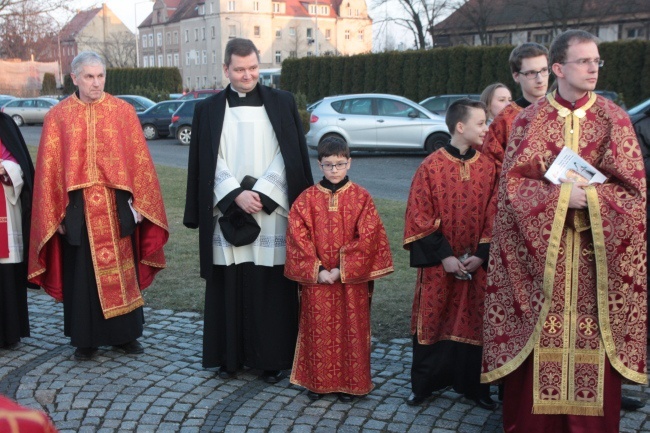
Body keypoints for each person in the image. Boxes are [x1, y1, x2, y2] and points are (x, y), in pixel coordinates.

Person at [481, 30, 647, 432]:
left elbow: (635, 196)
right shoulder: (529, 120)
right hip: (542, 271)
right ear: (559, 68)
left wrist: (588, 200)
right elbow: (511, 191)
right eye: (583, 61)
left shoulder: (615, 119)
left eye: (597, 61)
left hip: (595, 271)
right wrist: (558, 200)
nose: (593, 68)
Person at [183, 38, 313, 383]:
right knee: (230, 281)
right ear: (226, 69)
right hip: (227, 207)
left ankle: (271, 359)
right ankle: (229, 358)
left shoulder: (282, 103)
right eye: (239, 70)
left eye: (253, 68)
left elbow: (291, 156)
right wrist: (234, 194)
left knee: (270, 283)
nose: (247, 75)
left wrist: (263, 194)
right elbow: (206, 160)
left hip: (271, 211)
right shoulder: (208, 109)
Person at [28, 51, 169, 361]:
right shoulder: (58, 117)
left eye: (100, 76)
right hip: (76, 208)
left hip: (114, 203)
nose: (96, 82)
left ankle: (125, 335)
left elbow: (139, 162)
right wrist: (56, 213)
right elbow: (50, 172)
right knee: (81, 273)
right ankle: (84, 339)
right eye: (89, 77)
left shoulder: (122, 112)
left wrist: (141, 203)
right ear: (75, 78)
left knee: (122, 269)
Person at [403, 99, 498, 409]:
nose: (486, 128)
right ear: (461, 127)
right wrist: (445, 256)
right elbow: (419, 214)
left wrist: (482, 253)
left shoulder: (488, 167)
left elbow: (494, 211)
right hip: (438, 262)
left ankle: (475, 387)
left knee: (476, 318)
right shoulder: (430, 166)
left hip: (476, 262)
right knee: (434, 317)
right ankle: (425, 385)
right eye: (481, 122)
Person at [284, 136, 393, 402]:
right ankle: (317, 382)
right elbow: (297, 236)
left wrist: (343, 270)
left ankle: (350, 383)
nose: (334, 170)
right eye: (328, 164)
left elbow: (369, 237)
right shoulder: (307, 199)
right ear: (319, 164)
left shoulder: (361, 197)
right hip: (319, 280)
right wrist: (319, 268)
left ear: (349, 162)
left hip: (350, 281)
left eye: (340, 164)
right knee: (317, 329)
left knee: (351, 329)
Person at [480, 43, 549, 176]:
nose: (540, 79)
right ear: (516, 76)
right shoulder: (505, 119)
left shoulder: (565, 110)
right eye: (531, 73)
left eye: (544, 70)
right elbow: (492, 166)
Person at [0, 111, 36, 348]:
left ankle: (8, 333)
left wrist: (6, 169)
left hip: (3, 205)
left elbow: (20, 164)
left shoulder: (5, 124)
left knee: (5, 275)